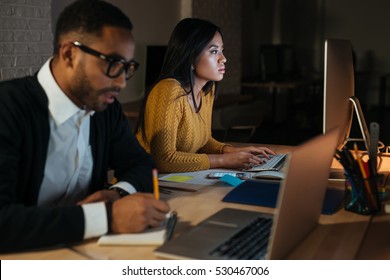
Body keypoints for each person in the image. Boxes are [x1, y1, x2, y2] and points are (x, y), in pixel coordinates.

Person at [0, 0, 170, 253]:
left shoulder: (104, 108)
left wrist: (117, 194)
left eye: (127, 68)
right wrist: (107, 218)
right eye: (112, 63)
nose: (122, 82)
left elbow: (143, 166)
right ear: (69, 54)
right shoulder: (8, 107)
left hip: (88, 254)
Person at [136, 18, 275, 173]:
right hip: (144, 184)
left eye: (222, 50)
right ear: (191, 57)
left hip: (174, 182)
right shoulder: (169, 89)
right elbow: (163, 160)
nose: (223, 58)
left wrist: (230, 151)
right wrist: (223, 160)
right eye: (214, 51)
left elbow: (203, 141)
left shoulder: (207, 90)